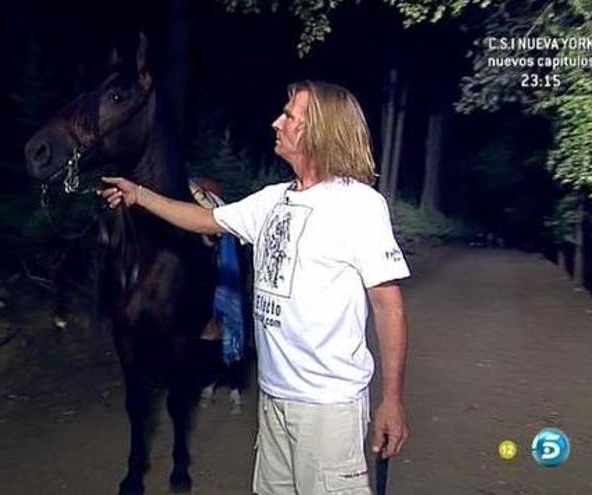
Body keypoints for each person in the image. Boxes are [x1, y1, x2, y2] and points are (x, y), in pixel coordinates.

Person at [98, 80, 409, 495]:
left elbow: (389, 307)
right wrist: (139, 195)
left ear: (317, 131)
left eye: (290, 116)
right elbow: (204, 220)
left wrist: (391, 400)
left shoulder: (359, 206)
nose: (276, 122)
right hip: (274, 395)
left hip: (328, 406)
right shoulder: (272, 200)